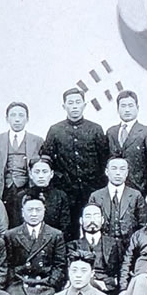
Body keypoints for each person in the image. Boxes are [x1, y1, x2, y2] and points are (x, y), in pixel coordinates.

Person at [40, 88, 110, 240]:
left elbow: (104, 159)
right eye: (70, 103)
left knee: (95, 226)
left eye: (78, 102)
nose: (74, 106)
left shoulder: (95, 129)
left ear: (84, 105)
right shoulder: (55, 130)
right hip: (66, 191)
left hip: (92, 190)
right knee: (68, 230)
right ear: (64, 106)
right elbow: (47, 158)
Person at [5, 194, 66, 295]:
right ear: (22, 212)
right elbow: (8, 265)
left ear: (44, 211)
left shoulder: (55, 234)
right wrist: (13, 282)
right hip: (20, 283)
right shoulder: (11, 235)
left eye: (38, 210)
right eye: (30, 210)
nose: (33, 214)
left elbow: (60, 265)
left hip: (44, 284)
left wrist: (52, 283)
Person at [0, 102, 43, 227]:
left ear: (27, 119)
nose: (17, 119)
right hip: (5, 190)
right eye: (13, 115)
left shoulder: (37, 140)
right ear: (7, 118)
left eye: (21, 115)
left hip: (26, 188)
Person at [106, 90, 147, 198]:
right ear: (117, 109)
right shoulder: (111, 132)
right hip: (116, 191)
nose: (127, 110)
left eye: (130, 106)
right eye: (123, 106)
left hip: (140, 190)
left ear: (137, 108)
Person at [89, 156, 146, 253]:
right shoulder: (96, 196)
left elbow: (142, 226)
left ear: (127, 173)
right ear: (107, 172)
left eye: (122, 169)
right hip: (103, 249)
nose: (118, 173)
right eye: (114, 169)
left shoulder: (136, 196)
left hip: (129, 248)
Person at [66, 204, 121, 295]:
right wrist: (93, 282)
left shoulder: (114, 244)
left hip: (107, 291)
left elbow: (119, 271)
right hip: (81, 288)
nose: (92, 220)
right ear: (81, 221)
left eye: (96, 216)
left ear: (102, 220)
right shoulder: (73, 246)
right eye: (88, 216)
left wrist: (105, 283)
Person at [26, 156, 71, 240]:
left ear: (51, 174)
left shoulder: (60, 196)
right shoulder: (23, 196)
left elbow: (65, 227)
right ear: (30, 174)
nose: (41, 176)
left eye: (45, 172)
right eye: (37, 172)